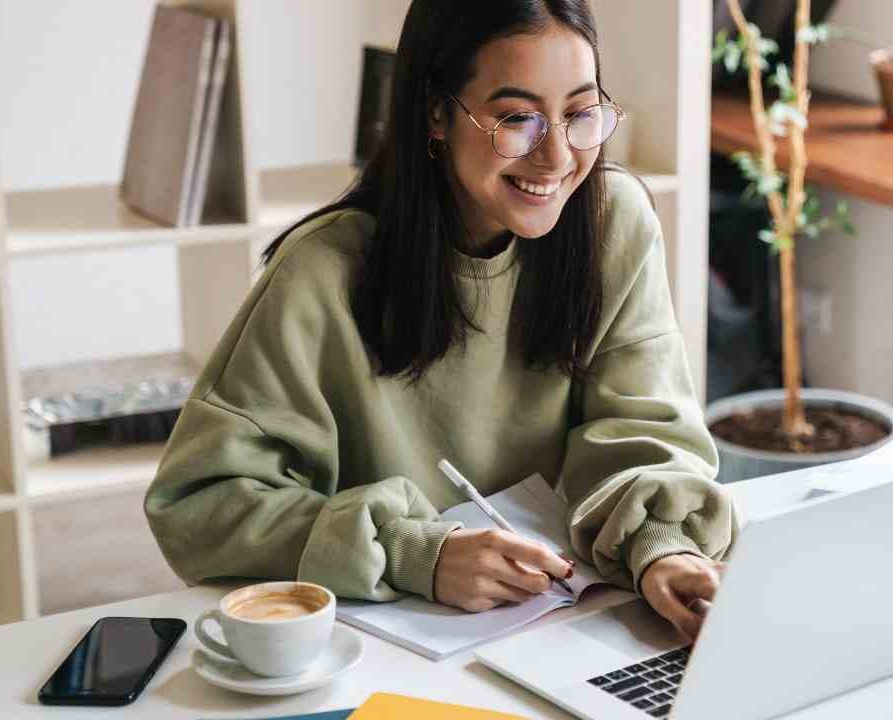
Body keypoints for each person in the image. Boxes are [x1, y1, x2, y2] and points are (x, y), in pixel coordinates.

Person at [144, 0, 738, 641]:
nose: (558, 158)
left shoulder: (613, 222)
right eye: (517, 119)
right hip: (382, 644)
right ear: (435, 112)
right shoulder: (323, 271)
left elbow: (645, 429)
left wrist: (661, 546)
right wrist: (414, 552)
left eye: (580, 113)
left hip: (571, 621)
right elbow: (200, 504)